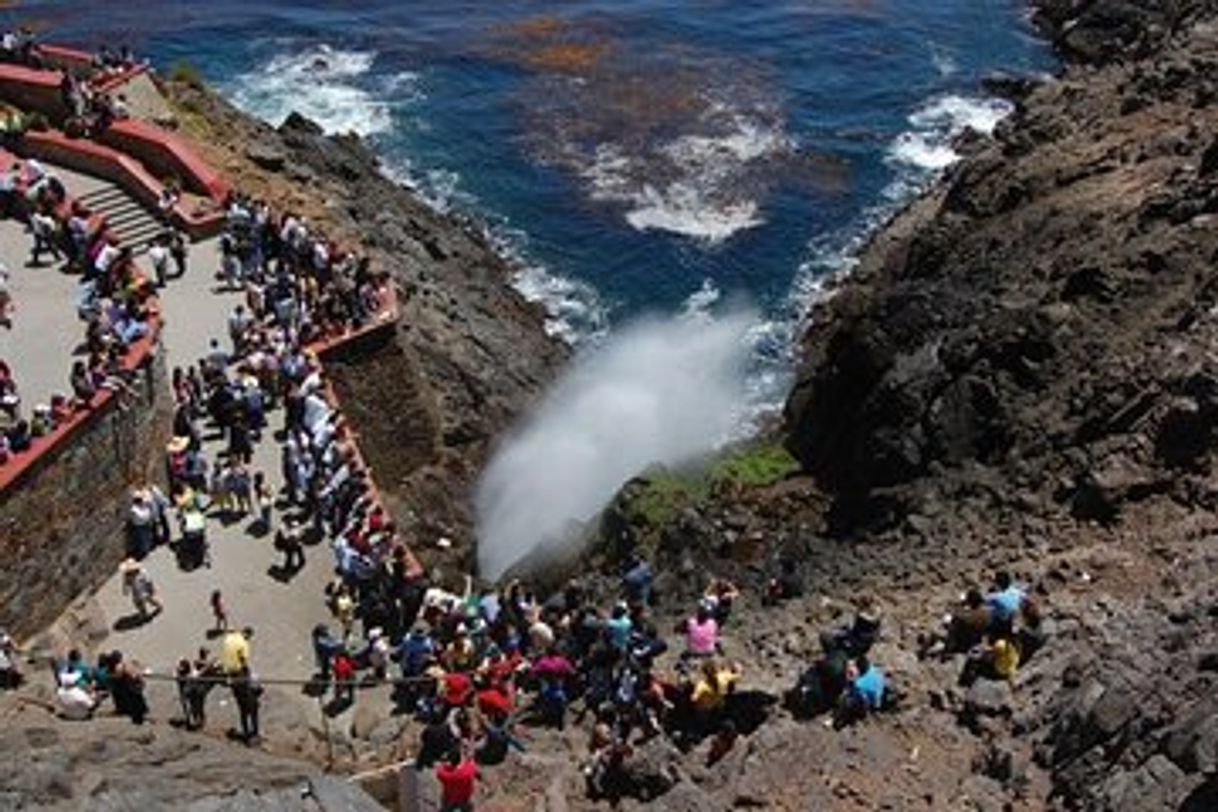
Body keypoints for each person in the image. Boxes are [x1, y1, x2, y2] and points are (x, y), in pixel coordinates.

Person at [230, 667, 261, 744]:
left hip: (244, 703)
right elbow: (259, 690)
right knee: (253, 717)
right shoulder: (250, 680)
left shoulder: (235, 684)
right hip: (251, 702)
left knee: (245, 718)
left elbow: (235, 694)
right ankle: (254, 734)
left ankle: (247, 734)